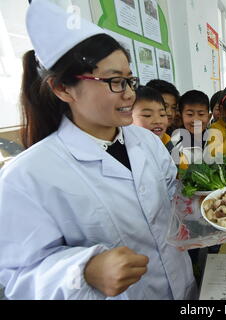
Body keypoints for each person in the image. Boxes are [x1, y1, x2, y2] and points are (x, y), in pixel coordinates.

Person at [0, 0, 196, 300]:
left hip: (182, 287)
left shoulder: (146, 142)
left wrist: (205, 202)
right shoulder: (26, 177)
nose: (130, 93)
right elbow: (18, 277)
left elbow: (173, 196)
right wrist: (84, 270)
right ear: (62, 89)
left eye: (130, 80)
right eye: (115, 81)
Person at [171, 90, 210, 164]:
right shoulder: (175, 143)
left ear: (209, 116)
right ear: (181, 116)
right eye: (190, 114)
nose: (196, 120)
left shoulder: (214, 138)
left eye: (201, 114)